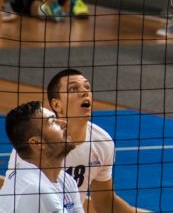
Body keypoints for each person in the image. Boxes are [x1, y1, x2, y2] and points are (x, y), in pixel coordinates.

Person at [5, 69, 147, 212]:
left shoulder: (98, 146)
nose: (84, 92)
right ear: (56, 105)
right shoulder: (30, 159)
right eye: (73, 89)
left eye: (87, 87)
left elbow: (105, 200)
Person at [0, 101, 83, 212]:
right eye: (52, 121)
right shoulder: (35, 189)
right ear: (36, 143)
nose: (64, 123)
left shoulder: (66, 181)